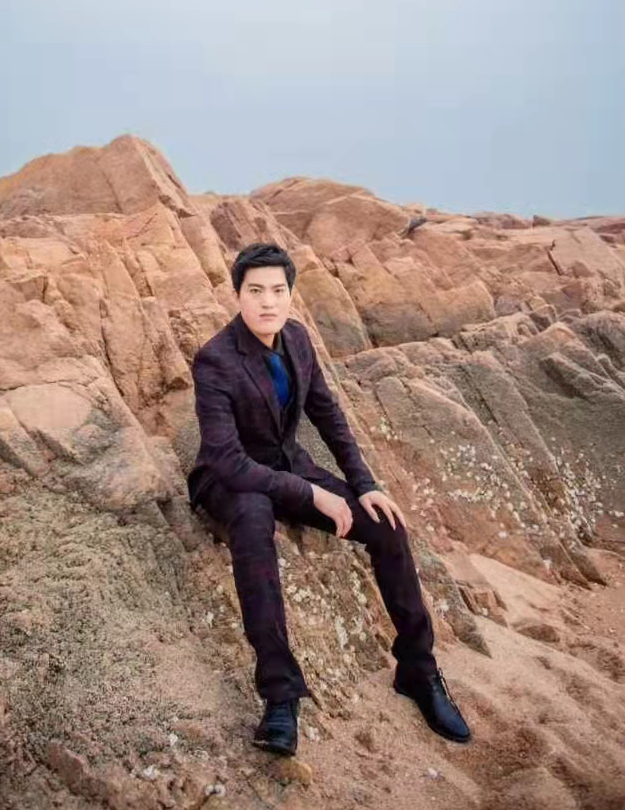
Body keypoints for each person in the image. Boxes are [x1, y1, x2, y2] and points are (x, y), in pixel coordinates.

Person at [187, 242, 471, 755]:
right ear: (237, 295)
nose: (267, 302)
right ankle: (280, 698)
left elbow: (328, 414)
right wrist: (312, 494)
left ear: (290, 294)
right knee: (253, 521)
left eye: (278, 290)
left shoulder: (297, 339)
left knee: (387, 526)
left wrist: (364, 484)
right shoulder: (215, 360)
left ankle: (418, 670)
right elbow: (227, 460)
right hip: (230, 480)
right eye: (255, 291)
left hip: (288, 466)